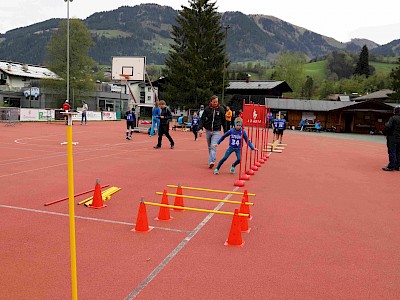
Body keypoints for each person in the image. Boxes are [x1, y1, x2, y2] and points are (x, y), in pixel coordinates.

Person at [199, 95, 226, 168]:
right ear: (211, 101)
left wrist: (226, 131)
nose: (215, 103)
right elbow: (202, 119)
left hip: (216, 131)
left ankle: (211, 161)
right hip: (208, 130)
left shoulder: (221, 109)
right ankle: (212, 158)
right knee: (209, 147)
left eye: (216, 102)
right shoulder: (207, 109)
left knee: (213, 146)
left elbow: (224, 121)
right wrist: (200, 128)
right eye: (214, 102)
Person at [382, 106, 400, 171]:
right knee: (398, 152)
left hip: (392, 137)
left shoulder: (393, 118)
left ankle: (391, 166)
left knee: (392, 151)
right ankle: (397, 166)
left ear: (395, 111)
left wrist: (384, 133)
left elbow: (388, 126)